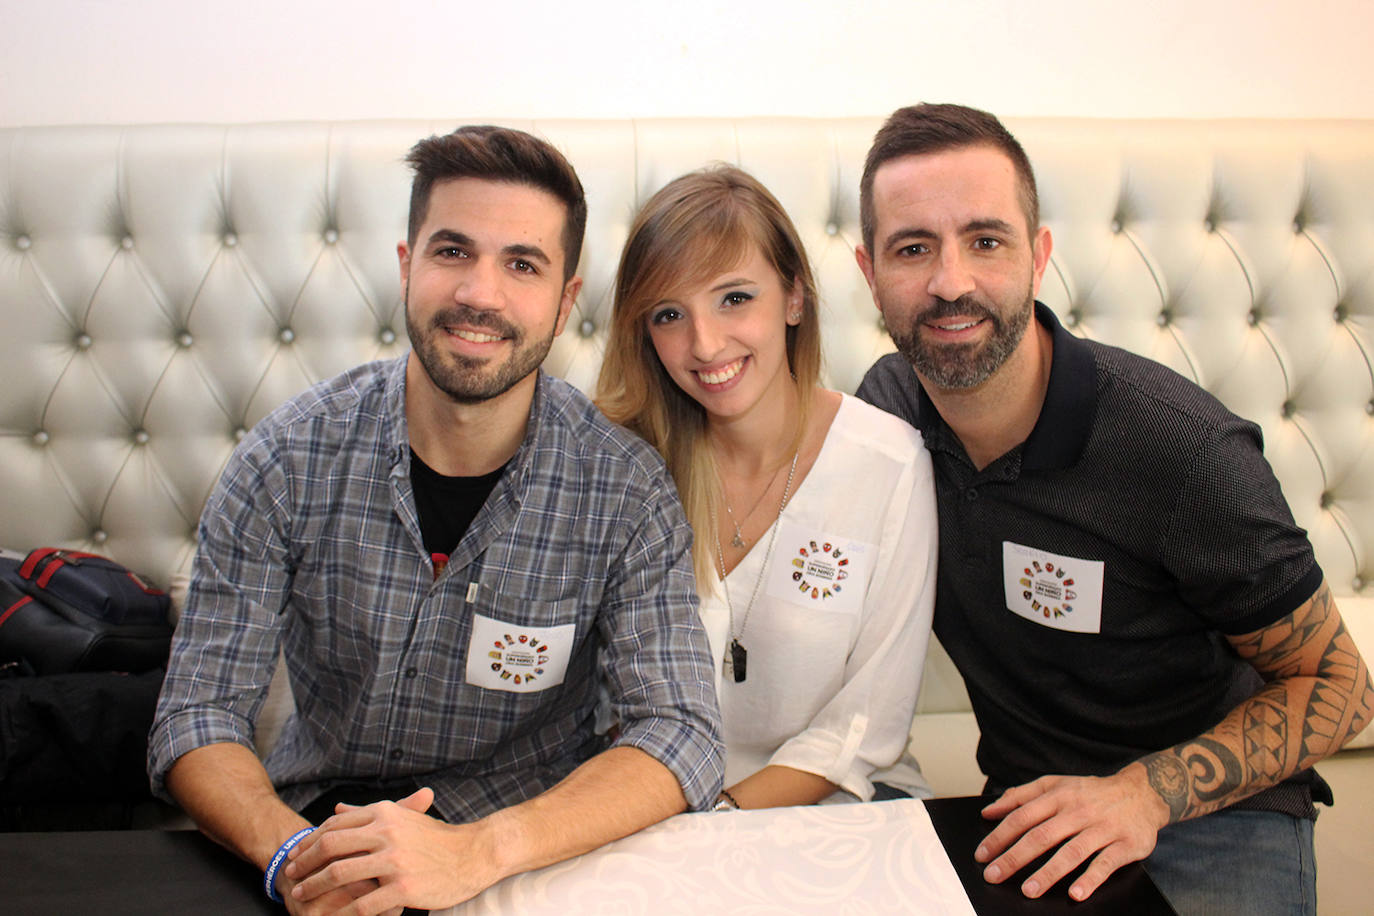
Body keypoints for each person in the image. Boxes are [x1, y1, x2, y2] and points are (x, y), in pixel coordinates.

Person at [148, 125, 723, 915]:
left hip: (529, 848)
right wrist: (292, 857)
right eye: (453, 251)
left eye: (521, 264)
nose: (480, 294)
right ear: (406, 265)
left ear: (564, 303)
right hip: (316, 836)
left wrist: (476, 852)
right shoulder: (286, 457)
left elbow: (679, 732)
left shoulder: (624, 490)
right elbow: (196, 712)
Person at [853, 102, 1374, 914]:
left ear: (1040, 257)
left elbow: (1344, 687)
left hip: (1218, 813)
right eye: (913, 248)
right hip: (1031, 806)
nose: (950, 281)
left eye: (986, 241)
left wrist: (1144, 794)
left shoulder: (1185, 453)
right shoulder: (887, 414)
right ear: (869, 273)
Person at [597, 166, 936, 810]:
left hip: (831, 812)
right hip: (646, 812)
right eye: (670, 314)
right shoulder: (625, 464)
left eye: (734, 298)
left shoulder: (890, 463)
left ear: (794, 299)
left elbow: (864, 725)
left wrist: (722, 820)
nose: (704, 343)